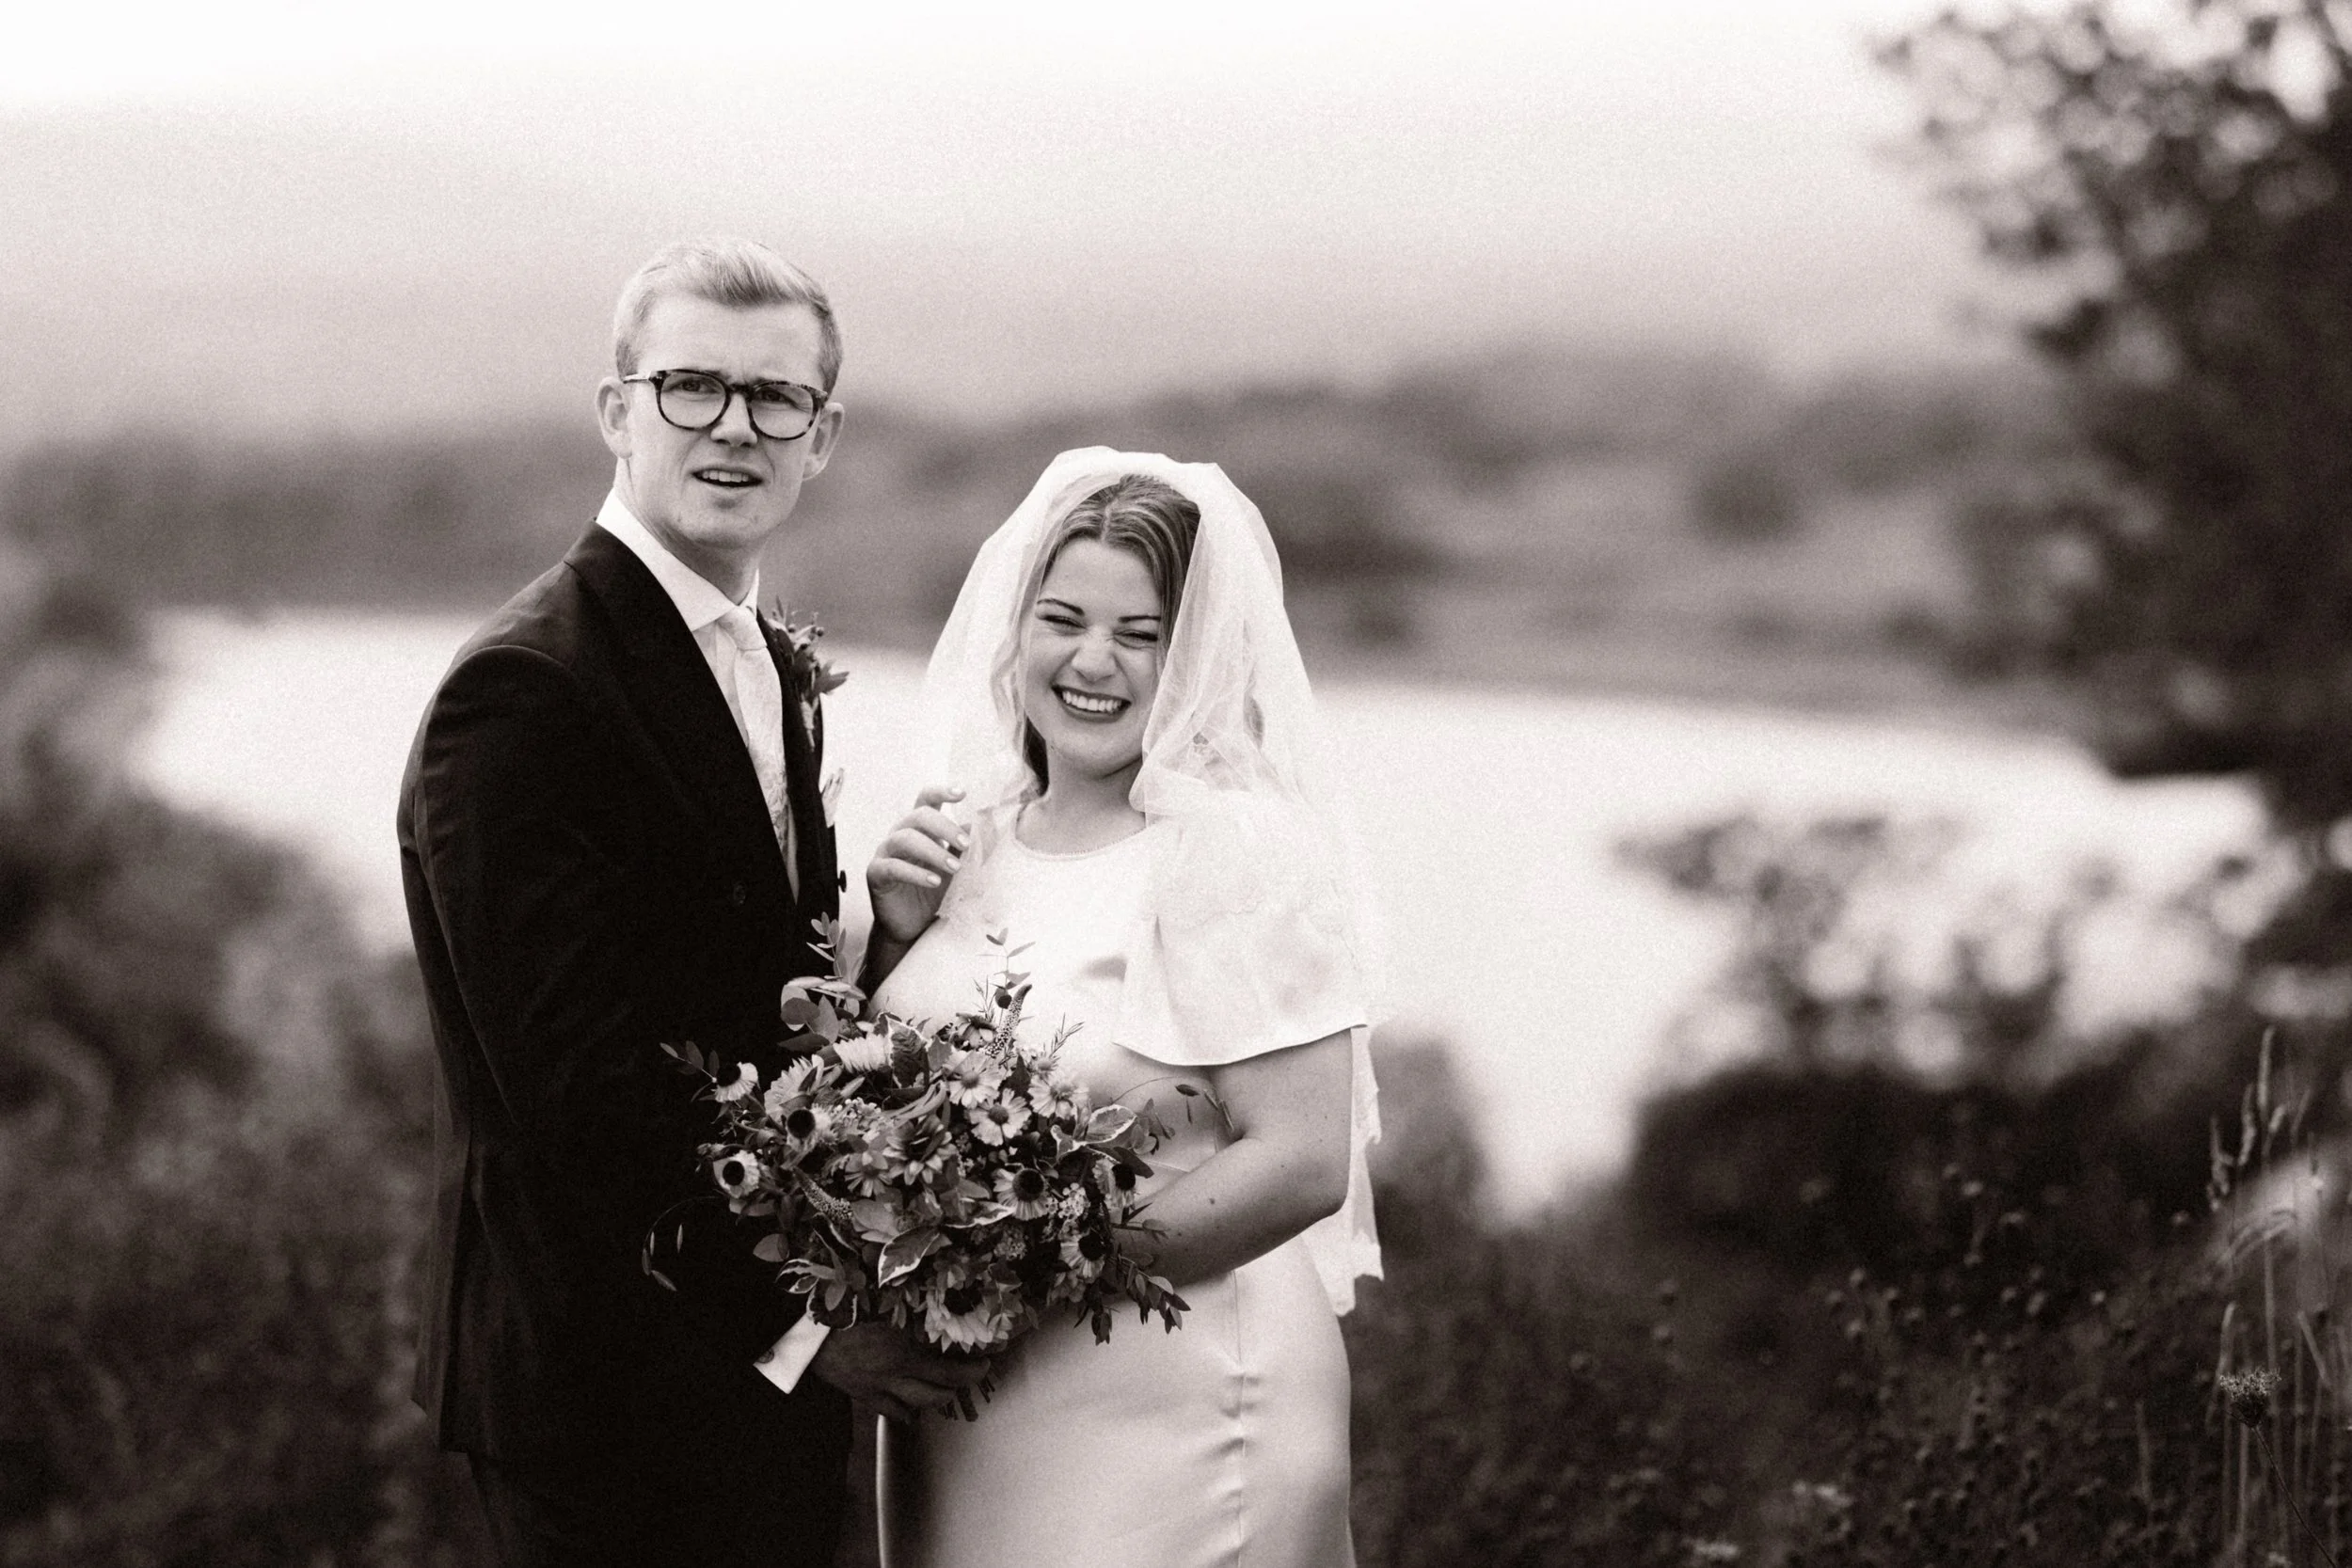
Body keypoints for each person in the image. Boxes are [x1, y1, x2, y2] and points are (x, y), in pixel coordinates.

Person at [397, 237, 984, 1568]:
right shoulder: (523, 692)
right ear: (618, 410)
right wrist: (813, 1320)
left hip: (752, 1391)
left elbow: (747, 996)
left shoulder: (770, 659)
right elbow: (571, 1088)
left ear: (823, 433)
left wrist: (876, 950)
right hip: (599, 1385)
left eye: (776, 397)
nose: (735, 424)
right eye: (691, 386)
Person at [861, 448, 1386, 1568]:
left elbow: (1300, 1158)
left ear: (1194, 656)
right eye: (1062, 618)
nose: (1092, 661)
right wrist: (894, 932)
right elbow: (879, 1092)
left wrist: (1030, 1271)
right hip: (973, 1404)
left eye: (1139, 634)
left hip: (1180, 1402)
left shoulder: (1233, 851)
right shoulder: (969, 835)